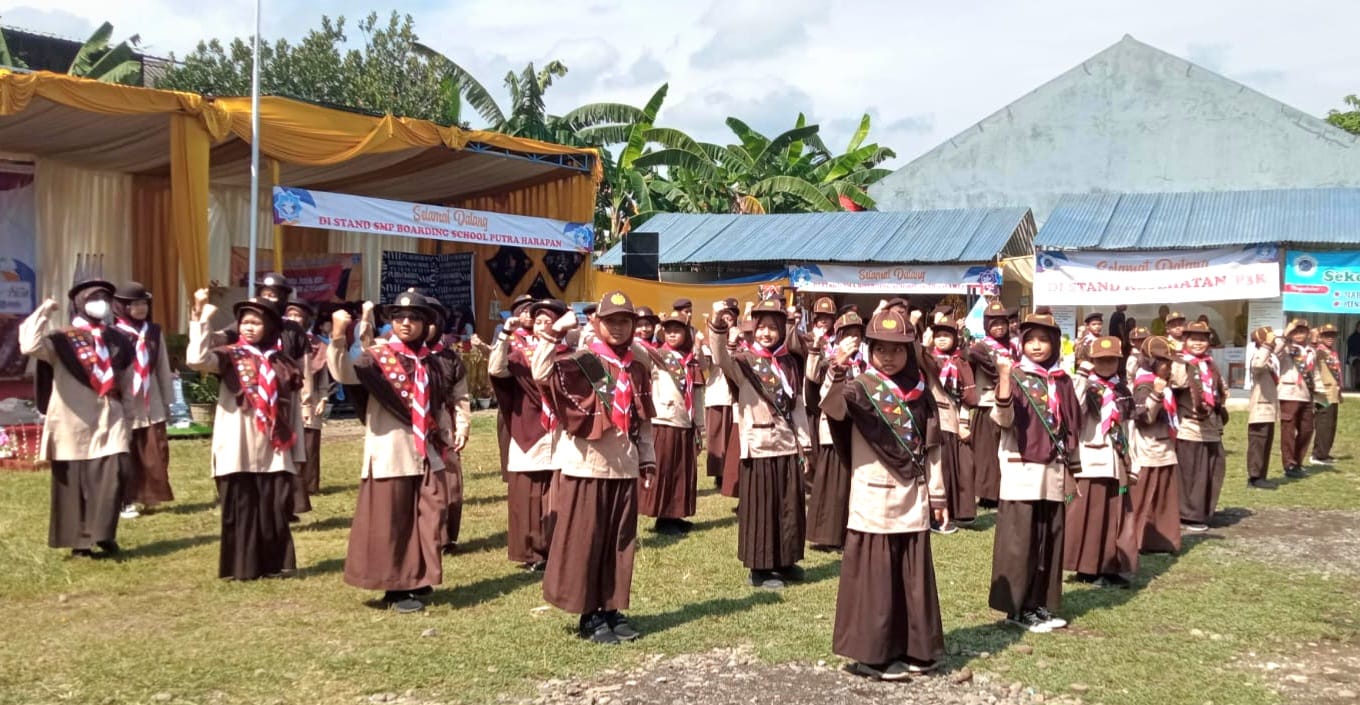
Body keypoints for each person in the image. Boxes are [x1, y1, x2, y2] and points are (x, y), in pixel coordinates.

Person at [822, 310, 946, 680]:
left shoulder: (921, 392)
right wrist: (837, 372)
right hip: (873, 495)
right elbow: (832, 409)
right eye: (880, 349)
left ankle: (915, 648)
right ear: (869, 351)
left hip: (913, 495)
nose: (889, 357)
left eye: (897, 349)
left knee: (911, 575)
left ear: (909, 351)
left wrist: (938, 496)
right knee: (875, 576)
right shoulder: (859, 387)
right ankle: (871, 655)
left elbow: (933, 447)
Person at [532, 290, 656, 644]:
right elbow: (541, 373)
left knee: (619, 541)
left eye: (625, 321)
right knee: (587, 540)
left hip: (624, 464)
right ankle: (589, 614)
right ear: (597, 324)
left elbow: (642, 419)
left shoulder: (636, 365)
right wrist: (554, 333)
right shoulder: (582, 360)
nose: (618, 328)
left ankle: (612, 607)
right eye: (611, 321)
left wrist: (647, 457)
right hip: (587, 466)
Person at [326, 291, 454, 613]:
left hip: (426, 451)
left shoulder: (432, 361)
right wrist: (338, 338)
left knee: (430, 514)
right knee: (393, 521)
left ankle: (417, 575)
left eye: (413, 318)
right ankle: (395, 588)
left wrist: (447, 435)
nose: (406, 323)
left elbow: (436, 403)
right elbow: (344, 373)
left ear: (427, 324)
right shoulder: (377, 357)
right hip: (391, 451)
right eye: (399, 318)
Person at [188, 290, 304, 580]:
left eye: (256, 322)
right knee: (240, 501)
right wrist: (201, 320)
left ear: (271, 328)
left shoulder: (282, 361)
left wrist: (296, 448)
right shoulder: (230, 355)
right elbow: (197, 360)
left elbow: (292, 404)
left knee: (273, 502)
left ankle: (274, 564)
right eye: (245, 322)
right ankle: (241, 566)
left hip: (273, 443)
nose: (249, 327)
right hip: (238, 439)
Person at [22, 281, 134, 557]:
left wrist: (130, 416)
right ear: (79, 303)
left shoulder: (118, 339)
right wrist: (45, 311)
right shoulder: (60, 340)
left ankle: (103, 533)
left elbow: (128, 380)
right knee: (72, 484)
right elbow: (28, 345)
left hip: (110, 417)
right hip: (71, 418)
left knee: (112, 476)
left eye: (105, 298)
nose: (101, 303)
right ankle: (79, 542)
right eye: (94, 298)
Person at [708, 298, 813, 590]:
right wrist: (717, 322)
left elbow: (799, 406)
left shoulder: (791, 362)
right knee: (762, 509)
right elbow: (719, 356)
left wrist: (805, 442)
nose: (767, 333)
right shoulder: (742, 361)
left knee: (789, 506)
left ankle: (785, 559)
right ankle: (761, 567)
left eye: (773, 327)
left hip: (788, 444)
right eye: (762, 327)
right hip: (759, 444)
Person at [989, 310, 1079, 633]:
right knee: (1021, 541)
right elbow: (1003, 420)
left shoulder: (1061, 381)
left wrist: (1073, 470)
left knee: (1047, 539)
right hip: (1022, 470)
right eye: (1031, 340)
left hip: (1053, 471)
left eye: (1044, 340)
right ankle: (1017, 608)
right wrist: (1002, 378)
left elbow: (1071, 427)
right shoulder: (1015, 376)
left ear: (1055, 343)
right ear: (1022, 343)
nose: (1038, 346)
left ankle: (1041, 602)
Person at [490, 298, 567, 571]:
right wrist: (503, 337)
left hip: (561, 432)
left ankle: (556, 546)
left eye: (550, 322)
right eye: (540, 322)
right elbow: (497, 370)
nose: (544, 326)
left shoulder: (570, 354)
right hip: (529, 429)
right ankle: (531, 551)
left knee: (557, 492)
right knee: (528, 493)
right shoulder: (520, 354)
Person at [1065, 337, 1138, 587]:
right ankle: (1086, 567)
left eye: (1111, 360)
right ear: (1092, 361)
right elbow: (1073, 410)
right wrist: (1083, 375)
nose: (1106, 364)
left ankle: (1109, 564)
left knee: (1112, 516)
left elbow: (1130, 427)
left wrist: (1132, 461)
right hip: (1090, 458)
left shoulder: (1122, 390)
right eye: (1101, 360)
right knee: (1088, 515)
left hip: (1115, 459)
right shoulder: (1086, 385)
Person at [112, 282, 175, 518]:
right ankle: (123, 500)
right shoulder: (113, 333)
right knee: (126, 450)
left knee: (154, 449)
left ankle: (149, 494)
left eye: (143, 304)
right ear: (121, 306)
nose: (140, 308)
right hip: (125, 398)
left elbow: (162, 366)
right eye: (134, 304)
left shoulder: (153, 332)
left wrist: (168, 400)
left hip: (151, 399)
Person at [804, 311, 865, 551]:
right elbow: (812, 379)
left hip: (856, 431)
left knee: (850, 485)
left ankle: (848, 531)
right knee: (833, 485)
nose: (853, 339)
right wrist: (817, 350)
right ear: (838, 337)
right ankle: (828, 535)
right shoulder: (830, 360)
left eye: (857, 334)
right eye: (848, 334)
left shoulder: (863, 364)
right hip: (832, 429)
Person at [642, 311, 703, 535]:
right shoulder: (657, 355)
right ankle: (662, 516)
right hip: (664, 419)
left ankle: (676, 513)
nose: (672, 334)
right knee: (665, 469)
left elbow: (696, 391)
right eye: (668, 330)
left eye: (677, 330)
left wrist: (699, 423)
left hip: (685, 421)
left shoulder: (690, 359)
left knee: (682, 470)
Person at [424, 296, 472, 554]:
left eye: (432, 321)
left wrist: (463, 428)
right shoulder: (400, 358)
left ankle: (446, 538)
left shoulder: (449, 359)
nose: (427, 326)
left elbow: (461, 396)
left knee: (451, 485)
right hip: (413, 430)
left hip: (444, 427)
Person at [1171, 320, 1229, 532]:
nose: (1198, 343)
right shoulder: (1182, 362)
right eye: (1193, 339)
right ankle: (1188, 515)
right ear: (1185, 340)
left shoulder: (1209, 363)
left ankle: (1204, 511)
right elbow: (1177, 382)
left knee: (1213, 469)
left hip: (1211, 426)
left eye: (1202, 339)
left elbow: (1218, 388)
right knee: (1190, 473)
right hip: (1190, 426)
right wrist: (1180, 360)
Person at [1127, 336, 1182, 554]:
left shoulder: (1164, 383)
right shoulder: (1144, 385)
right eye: (1162, 361)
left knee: (1163, 497)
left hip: (1164, 445)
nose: (1168, 366)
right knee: (1144, 497)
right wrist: (1157, 394)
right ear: (1150, 361)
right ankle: (1138, 539)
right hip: (1149, 447)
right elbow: (1145, 417)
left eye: (1169, 361)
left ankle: (1162, 539)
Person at [927, 317, 977, 531]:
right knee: (937, 468)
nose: (941, 340)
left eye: (946, 335)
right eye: (938, 336)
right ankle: (935, 515)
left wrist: (963, 423)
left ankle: (957, 512)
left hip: (953, 420)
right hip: (931, 419)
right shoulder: (928, 360)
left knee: (956, 468)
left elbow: (968, 398)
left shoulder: (961, 363)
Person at [967, 302, 1013, 510]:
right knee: (986, 453)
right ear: (986, 326)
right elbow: (992, 371)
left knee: (1005, 450)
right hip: (987, 404)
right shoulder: (980, 348)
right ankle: (987, 494)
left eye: (1002, 323)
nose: (999, 328)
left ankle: (1003, 490)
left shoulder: (1014, 346)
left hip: (1010, 403)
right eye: (994, 324)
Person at [282, 300, 329, 502]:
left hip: (313, 398)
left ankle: (309, 485)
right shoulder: (281, 340)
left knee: (310, 443)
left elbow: (322, 376)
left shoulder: (318, 345)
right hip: (288, 397)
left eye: (298, 315)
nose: (294, 319)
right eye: (290, 315)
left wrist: (324, 397)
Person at [703, 299, 741, 492]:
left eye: (731, 316)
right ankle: (718, 474)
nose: (728, 319)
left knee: (732, 438)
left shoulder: (742, 339)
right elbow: (704, 366)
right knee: (717, 437)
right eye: (725, 315)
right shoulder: (709, 339)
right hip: (717, 393)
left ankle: (731, 472)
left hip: (736, 399)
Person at [1276, 319, 1315, 479]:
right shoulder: (1286, 348)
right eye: (1296, 331)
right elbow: (1275, 352)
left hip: (1306, 394)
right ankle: (1289, 464)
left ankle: (1298, 462)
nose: (1299, 334)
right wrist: (1285, 334)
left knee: (1307, 429)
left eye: (1302, 331)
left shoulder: (1311, 350)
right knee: (1288, 431)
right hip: (1289, 392)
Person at [1245, 327, 1282, 490]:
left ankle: (1262, 474)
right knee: (1258, 442)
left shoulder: (1271, 356)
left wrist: (1283, 336)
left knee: (1266, 441)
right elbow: (1258, 365)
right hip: (1260, 406)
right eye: (1269, 337)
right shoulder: (1258, 355)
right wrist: (1267, 344)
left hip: (1269, 406)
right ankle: (1254, 476)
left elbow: (1280, 346)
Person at [1312, 324, 1343, 466]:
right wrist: (1314, 339)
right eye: (1326, 335)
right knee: (1323, 423)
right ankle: (1318, 455)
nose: (1330, 338)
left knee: (1331, 425)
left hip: (1333, 392)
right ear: (1320, 336)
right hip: (1323, 392)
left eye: (1333, 335)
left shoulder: (1332, 352)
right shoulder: (1319, 350)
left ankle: (1325, 452)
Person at [1348, 322, 1360, 391]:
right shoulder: (1352, 337)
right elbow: (1351, 350)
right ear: (1357, 327)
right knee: (1358, 364)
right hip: (1354, 357)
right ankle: (1358, 383)